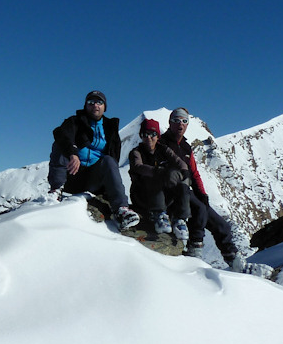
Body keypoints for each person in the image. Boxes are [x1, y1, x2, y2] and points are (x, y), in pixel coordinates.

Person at [159, 108, 244, 269]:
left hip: (187, 190)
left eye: (184, 121)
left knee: (221, 225)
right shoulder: (161, 144)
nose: (180, 124)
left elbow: (195, 173)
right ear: (170, 123)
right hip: (172, 193)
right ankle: (194, 248)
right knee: (199, 209)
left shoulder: (186, 147)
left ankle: (234, 260)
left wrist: (202, 194)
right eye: (176, 120)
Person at [48, 90, 141, 228]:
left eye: (99, 102)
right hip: (71, 175)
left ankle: (121, 209)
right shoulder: (75, 121)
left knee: (109, 160)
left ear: (104, 107)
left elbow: (114, 157)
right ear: (86, 105)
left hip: (94, 180)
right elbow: (60, 133)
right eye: (91, 102)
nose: (95, 105)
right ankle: (56, 190)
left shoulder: (110, 128)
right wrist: (73, 152)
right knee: (60, 145)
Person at [127, 118, 191, 243]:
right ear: (141, 136)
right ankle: (158, 215)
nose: (149, 138)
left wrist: (184, 172)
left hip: (163, 195)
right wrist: (158, 171)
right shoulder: (136, 152)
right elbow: (138, 167)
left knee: (182, 185)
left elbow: (179, 162)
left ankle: (180, 219)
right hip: (142, 195)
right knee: (154, 177)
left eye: (152, 134)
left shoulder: (164, 150)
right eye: (145, 134)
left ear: (158, 136)